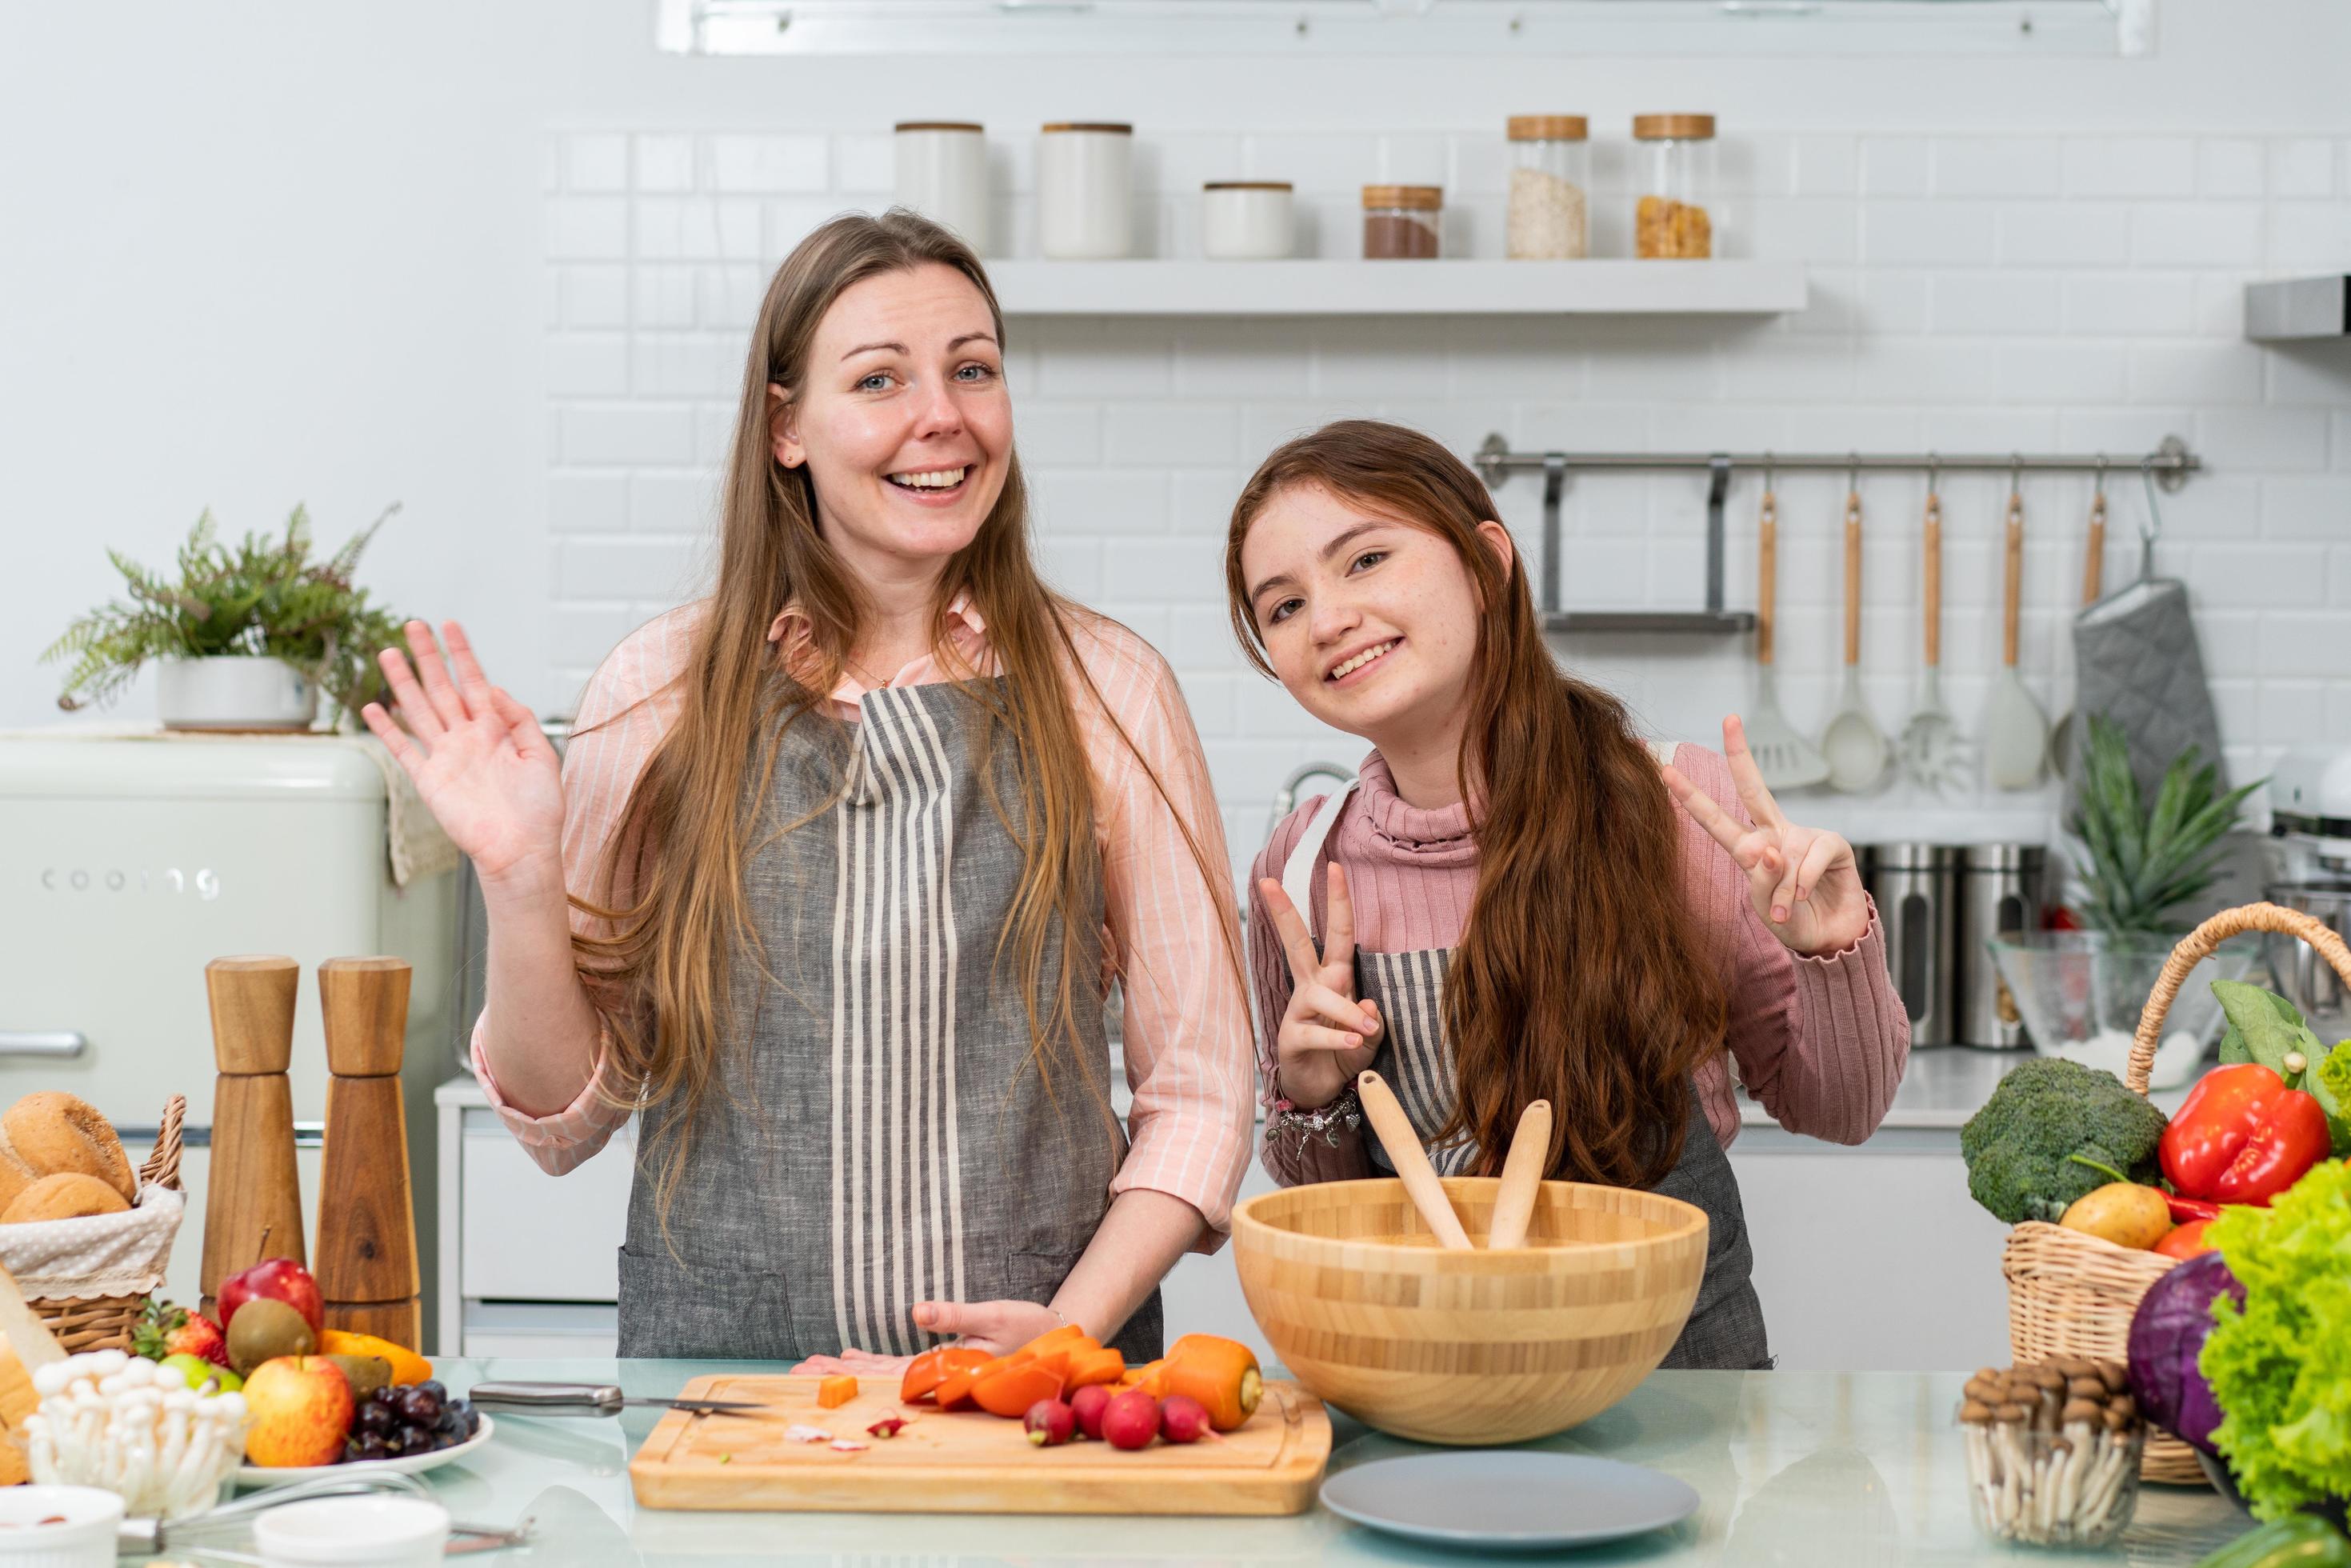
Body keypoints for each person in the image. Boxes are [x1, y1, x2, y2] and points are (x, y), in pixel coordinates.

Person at [363, 211, 1253, 1365]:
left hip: (1041, 1412)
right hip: (725, 1395)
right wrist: (522, 879)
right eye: (879, 379)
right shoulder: (659, 691)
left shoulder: (1109, 690)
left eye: (971, 369)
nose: (943, 415)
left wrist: (1062, 1339)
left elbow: (1200, 1093)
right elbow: (561, 1120)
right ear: (787, 427)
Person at [1225, 420, 1909, 1368]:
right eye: (1283, 606)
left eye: (1367, 559)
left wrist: (1830, 946)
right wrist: (1308, 1095)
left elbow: (1842, 1110)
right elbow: (1320, 1195)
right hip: (1425, 1383)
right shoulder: (1302, 866)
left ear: (1485, 562)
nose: (1328, 618)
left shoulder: (1675, 805)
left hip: (1674, 1386)